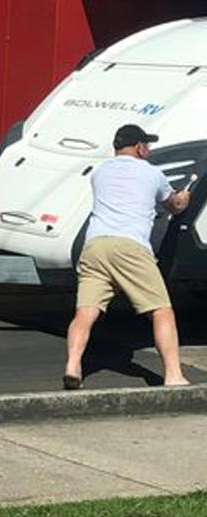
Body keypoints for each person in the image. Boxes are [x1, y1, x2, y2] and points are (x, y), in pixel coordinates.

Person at [64, 124, 191, 389]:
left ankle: (73, 365)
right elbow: (174, 205)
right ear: (139, 147)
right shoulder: (153, 173)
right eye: (147, 145)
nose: (149, 149)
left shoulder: (99, 172)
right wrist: (184, 197)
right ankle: (173, 375)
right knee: (161, 311)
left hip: (95, 246)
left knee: (86, 312)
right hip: (130, 247)